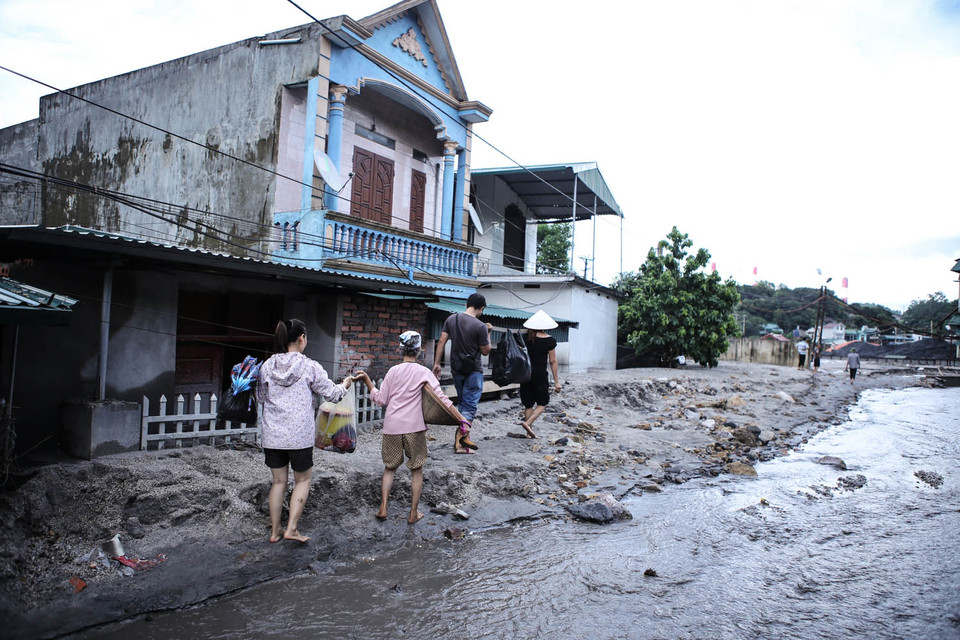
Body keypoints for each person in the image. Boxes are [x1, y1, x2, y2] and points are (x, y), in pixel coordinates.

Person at [256, 318, 353, 543]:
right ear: (301, 338)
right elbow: (332, 394)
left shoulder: (267, 366)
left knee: (278, 482)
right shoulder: (310, 366)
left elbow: (260, 397)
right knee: (302, 480)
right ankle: (292, 529)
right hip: (299, 437)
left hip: (273, 436)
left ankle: (275, 532)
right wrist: (346, 384)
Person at [358, 331, 466, 523]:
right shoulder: (424, 372)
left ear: (401, 349)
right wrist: (461, 419)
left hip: (391, 427)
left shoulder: (393, 371)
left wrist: (368, 382)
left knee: (389, 468)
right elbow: (441, 398)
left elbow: (381, 400)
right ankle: (413, 513)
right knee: (416, 470)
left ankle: (383, 508)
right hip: (414, 429)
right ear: (419, 351)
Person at [432, 292, 491, 453]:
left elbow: (442, 341)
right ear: (481, 308)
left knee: (463, 402)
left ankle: (464, 438)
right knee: (469, 406)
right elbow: (486, 351)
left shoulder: (452, 319)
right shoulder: (480, 326)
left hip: (456, 368)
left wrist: (437, 363)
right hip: (474, 370)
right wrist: (488, 332)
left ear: (466, 304)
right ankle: (461, 442)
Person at [518, 310, 561, 439]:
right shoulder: (549, 340)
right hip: (540, 375)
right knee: (543, 402)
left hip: (526, 374)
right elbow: (553, 361)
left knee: (528, 403)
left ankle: (528, 434)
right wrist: (556, 381)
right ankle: (528, 423)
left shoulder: (525, 338)